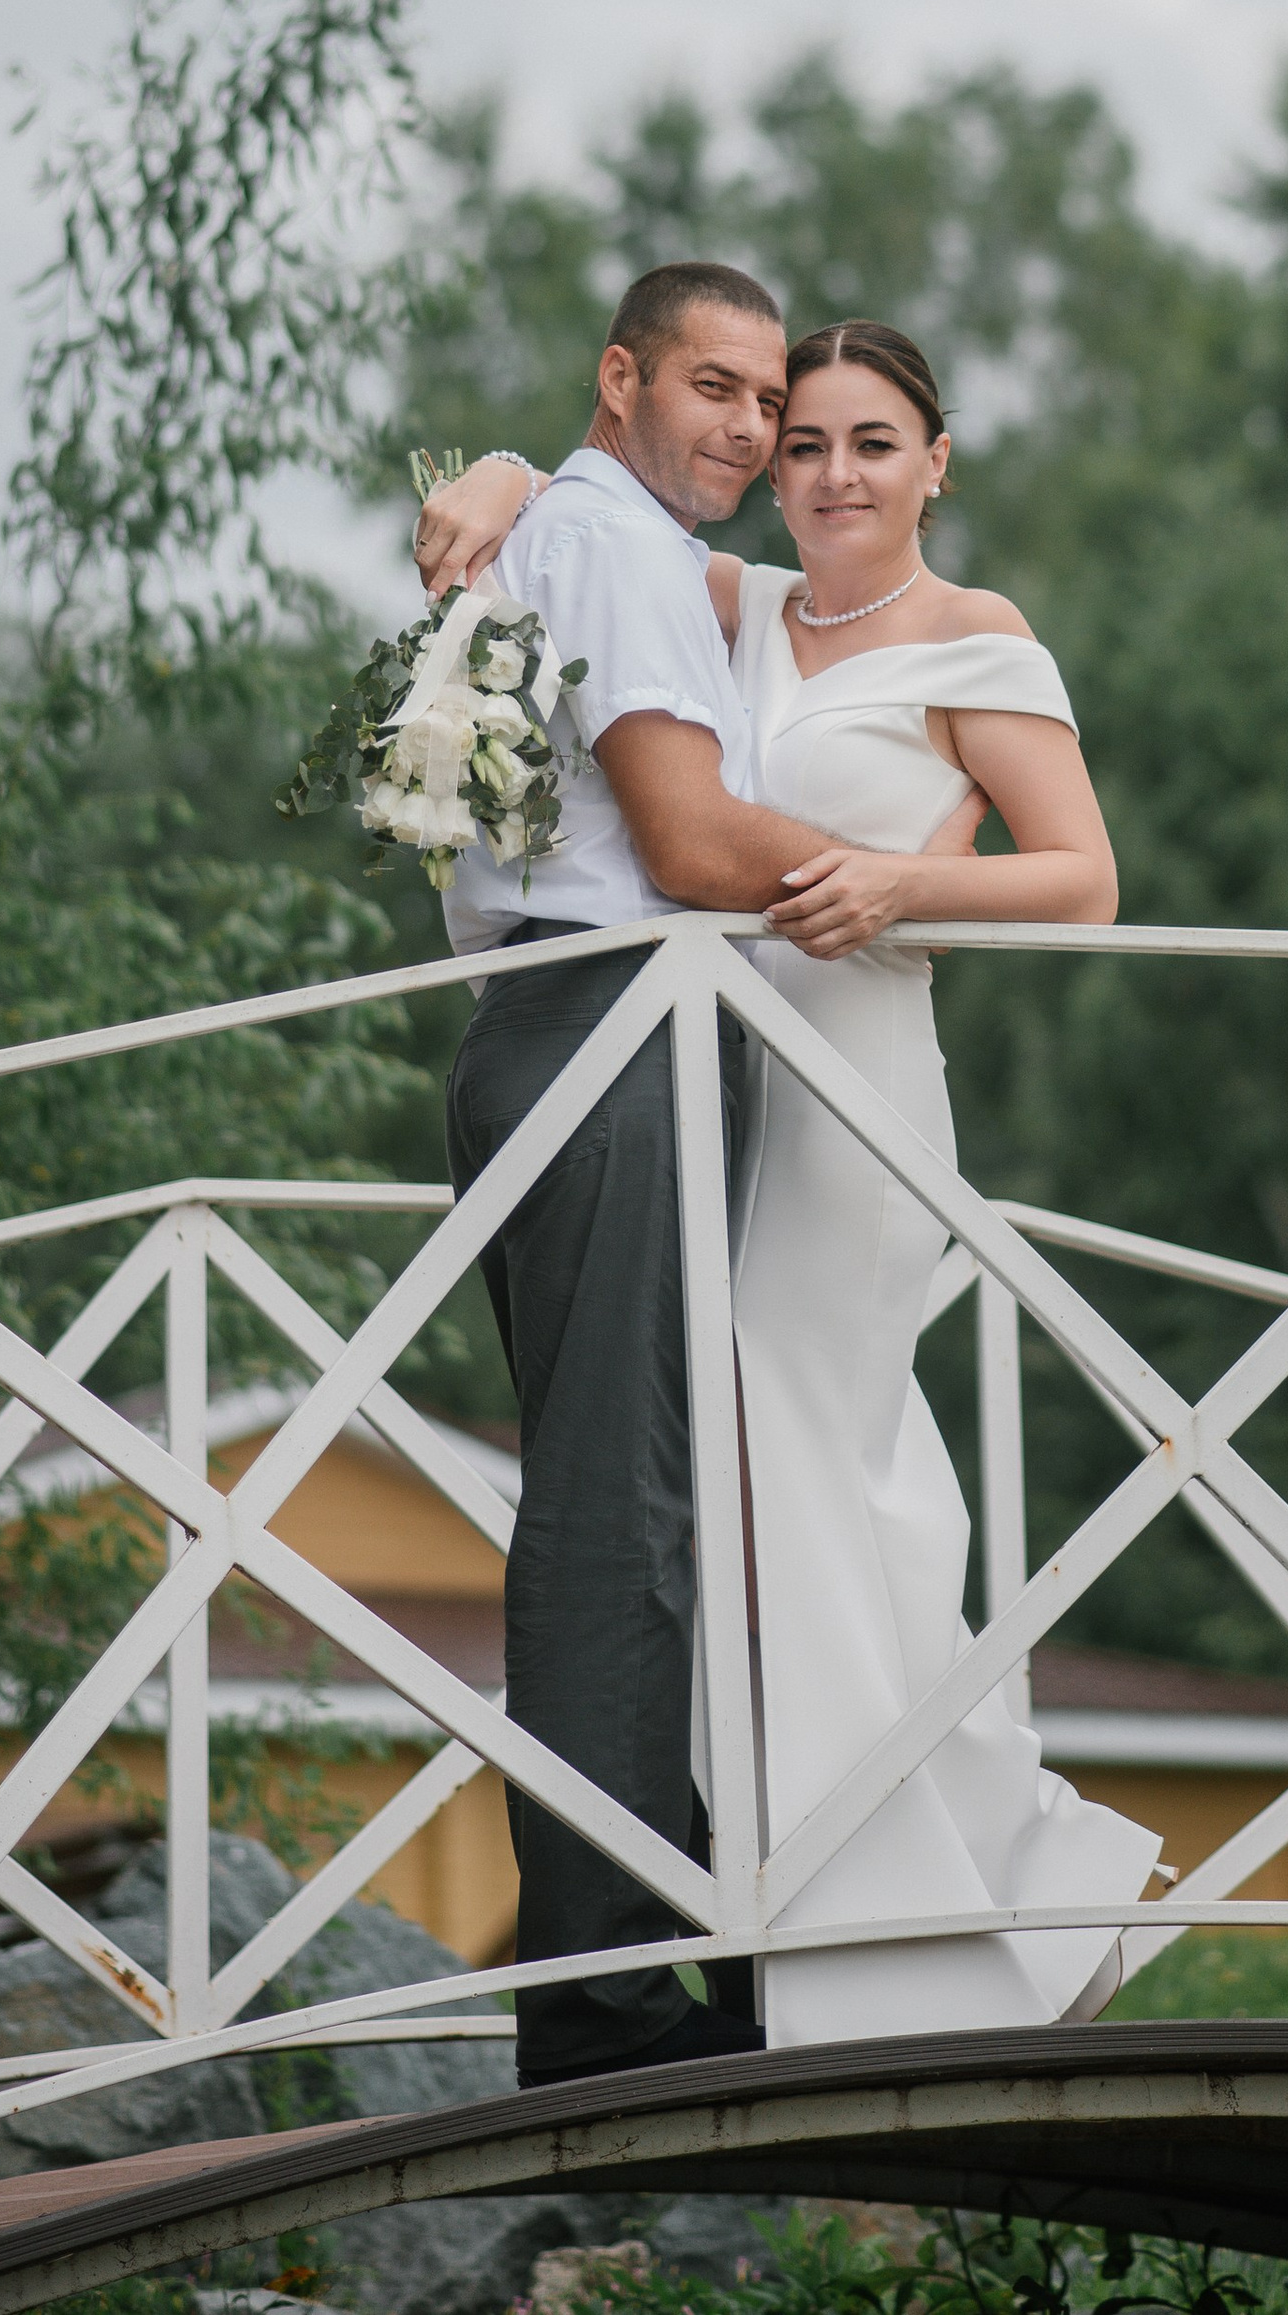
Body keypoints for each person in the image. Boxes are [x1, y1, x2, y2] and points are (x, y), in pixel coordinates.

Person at [418, 316, 1161, 2050]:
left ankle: (913, 1915)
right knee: (736, 1498)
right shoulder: (741, 606)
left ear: (936, 462)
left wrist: (898, 886)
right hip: (716, 1077)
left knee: (826, 1468)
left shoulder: (977, 639)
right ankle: (810, 1913)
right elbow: (594, 527)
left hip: (853, 1085)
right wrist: (509, 471)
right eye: (803, 439)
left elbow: (1084, 881)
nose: (827, 471)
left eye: (870, 443)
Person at [432, 258, 865, 2087]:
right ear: (623, 380)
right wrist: (886, 875)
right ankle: (604, 2007)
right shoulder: (609, 543)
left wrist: (508, 473)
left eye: (769, 401)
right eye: (716, 386)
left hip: (592, 1033)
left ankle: (663, 1949)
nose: (753, 427)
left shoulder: (592, 524)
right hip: (612, 1023)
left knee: (652, 1504)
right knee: (620, 1514)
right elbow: (685, 841)